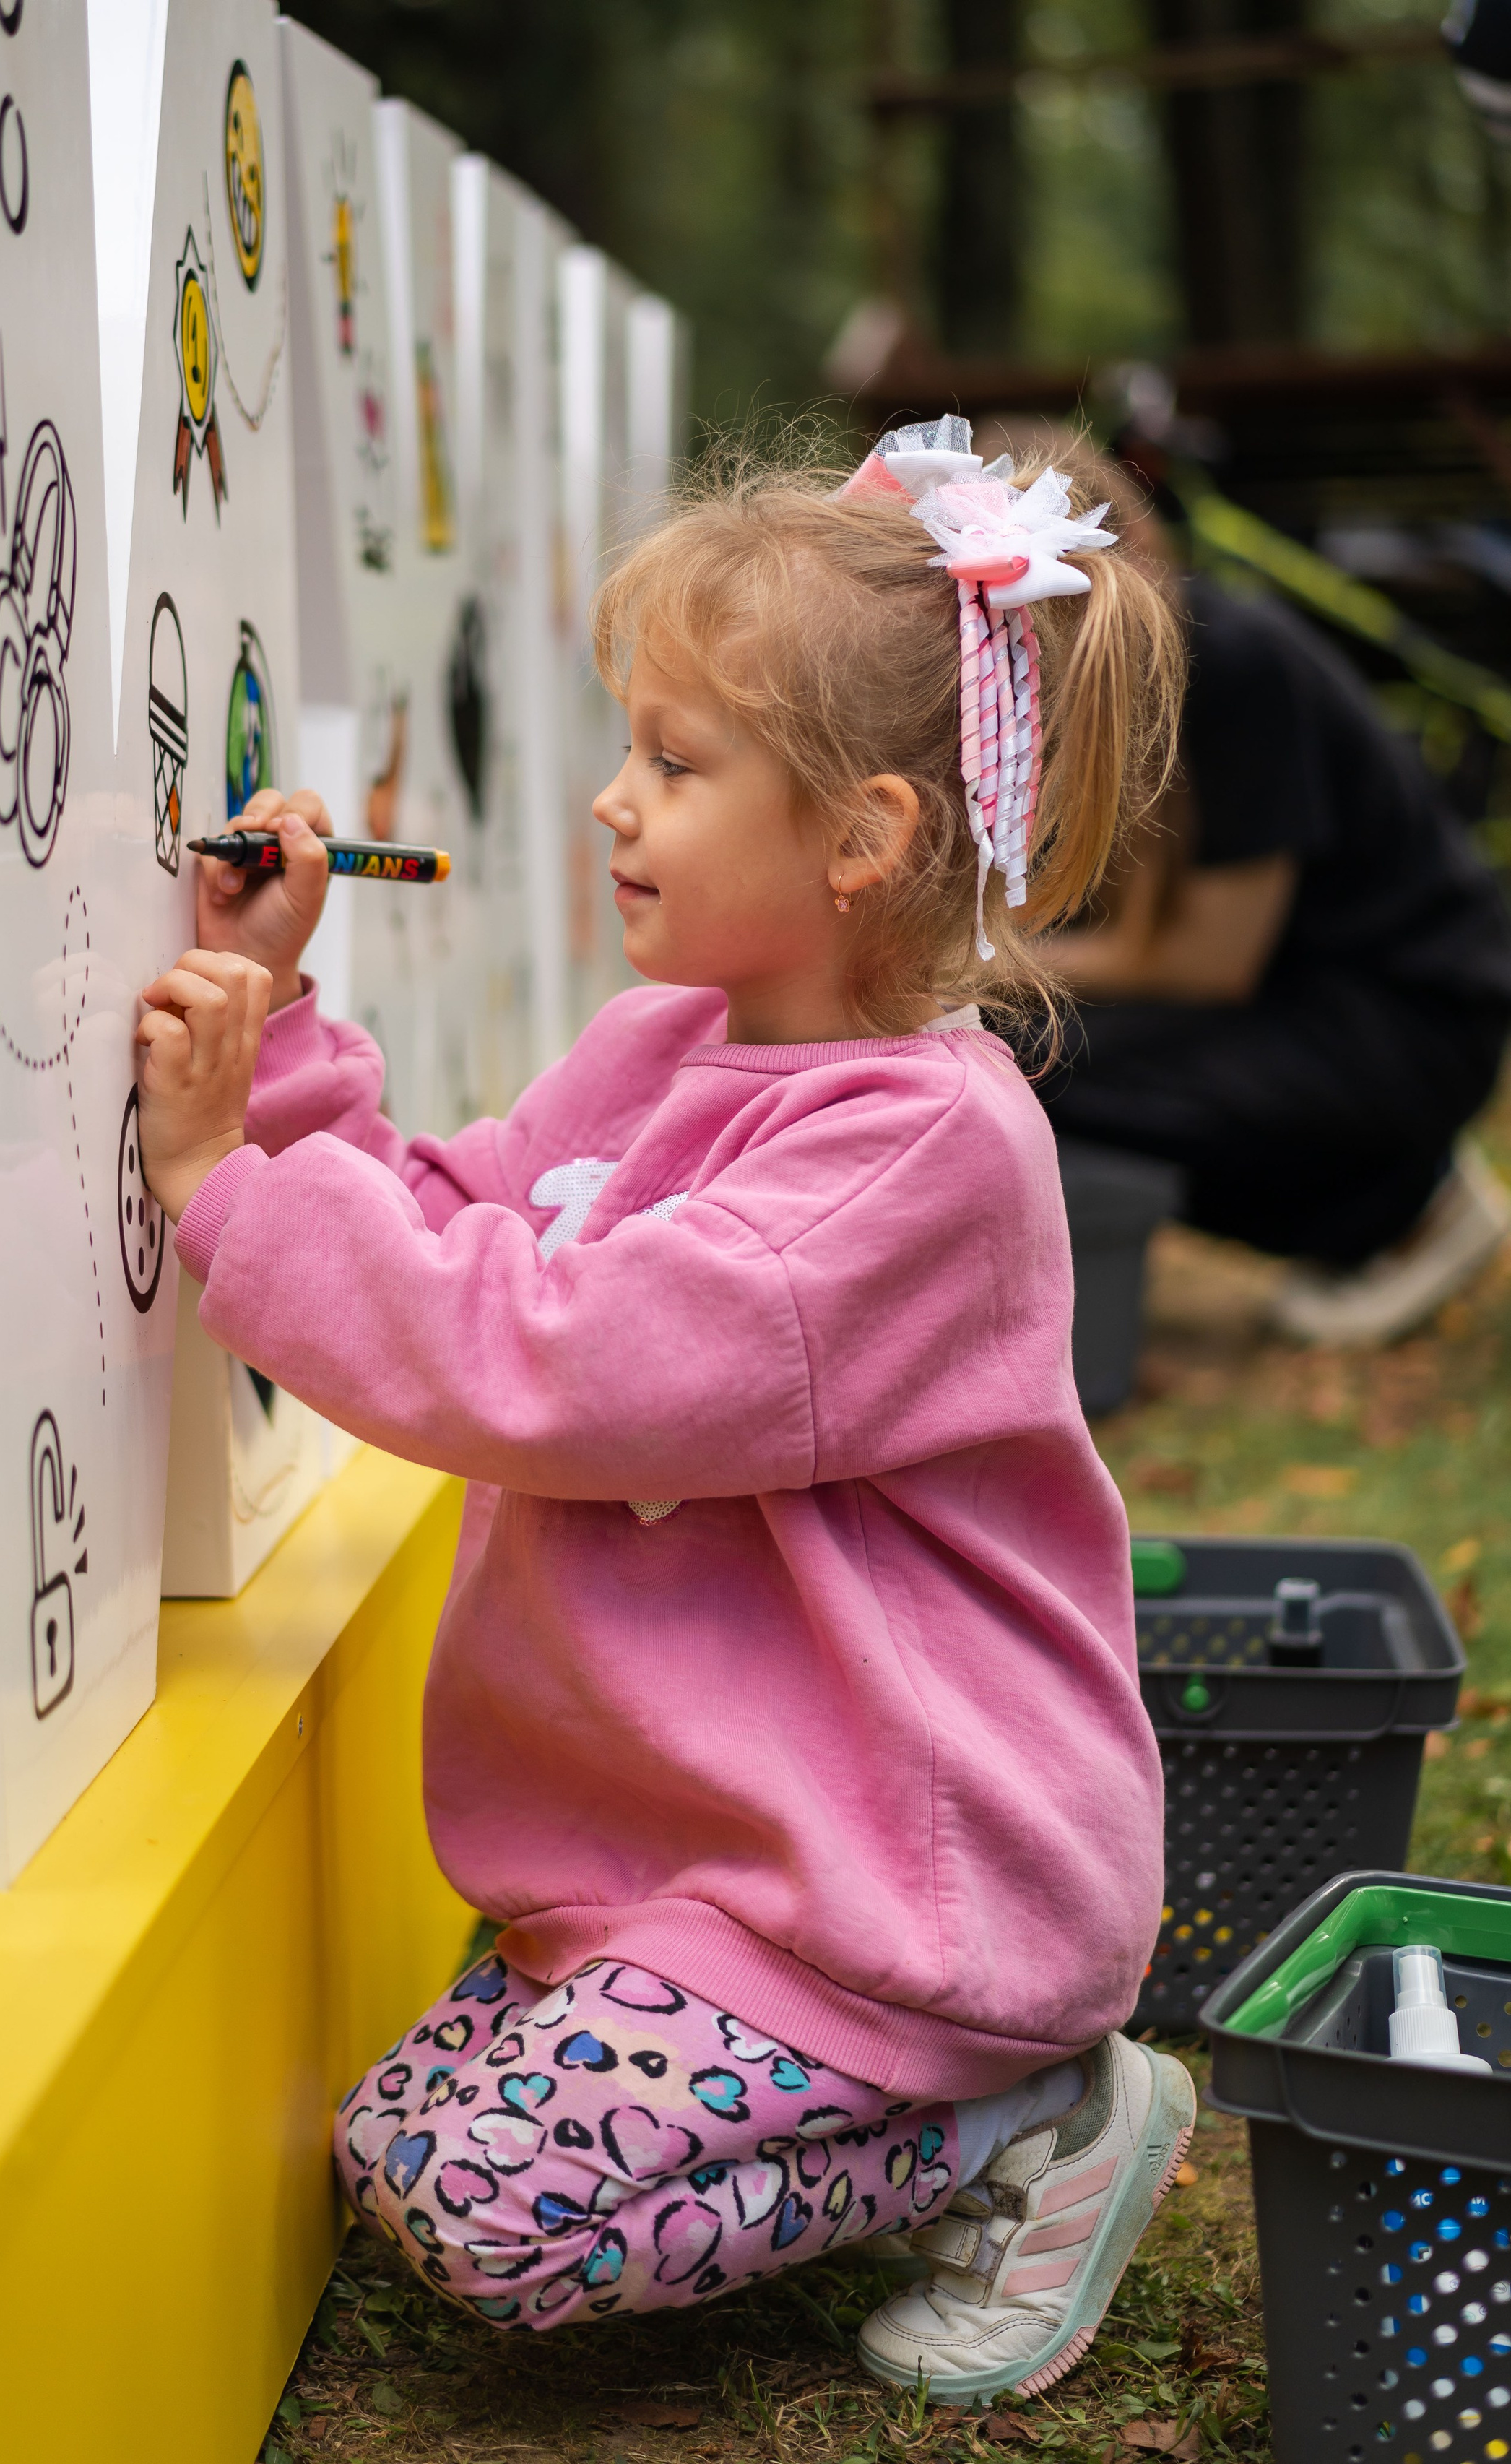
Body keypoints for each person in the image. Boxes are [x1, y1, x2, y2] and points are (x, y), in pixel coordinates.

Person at [131, 423, 1193, 2399]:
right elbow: (463, 1218)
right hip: (725, 1854)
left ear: (863, 839)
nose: (614, 803)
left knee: (482, 2203)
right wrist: (278, 1035)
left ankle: (1038, 2111)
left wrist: (220, 1195)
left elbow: (542, 1362)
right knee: (384, 2147)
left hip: (901, 1888)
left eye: (677, 766)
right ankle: (927, 2089)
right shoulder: (669, 1043)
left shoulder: (911, 1155)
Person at [1035, 507, 1511, 1345]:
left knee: (1027, 1056)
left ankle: (1397, 1211)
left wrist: (976, 972)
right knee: (1019, 1040)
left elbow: (1210, 962)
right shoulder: (1162, 669)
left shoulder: (1228, 659)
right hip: (1329, 1003)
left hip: (1408, 1023)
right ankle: (1389, 1197)